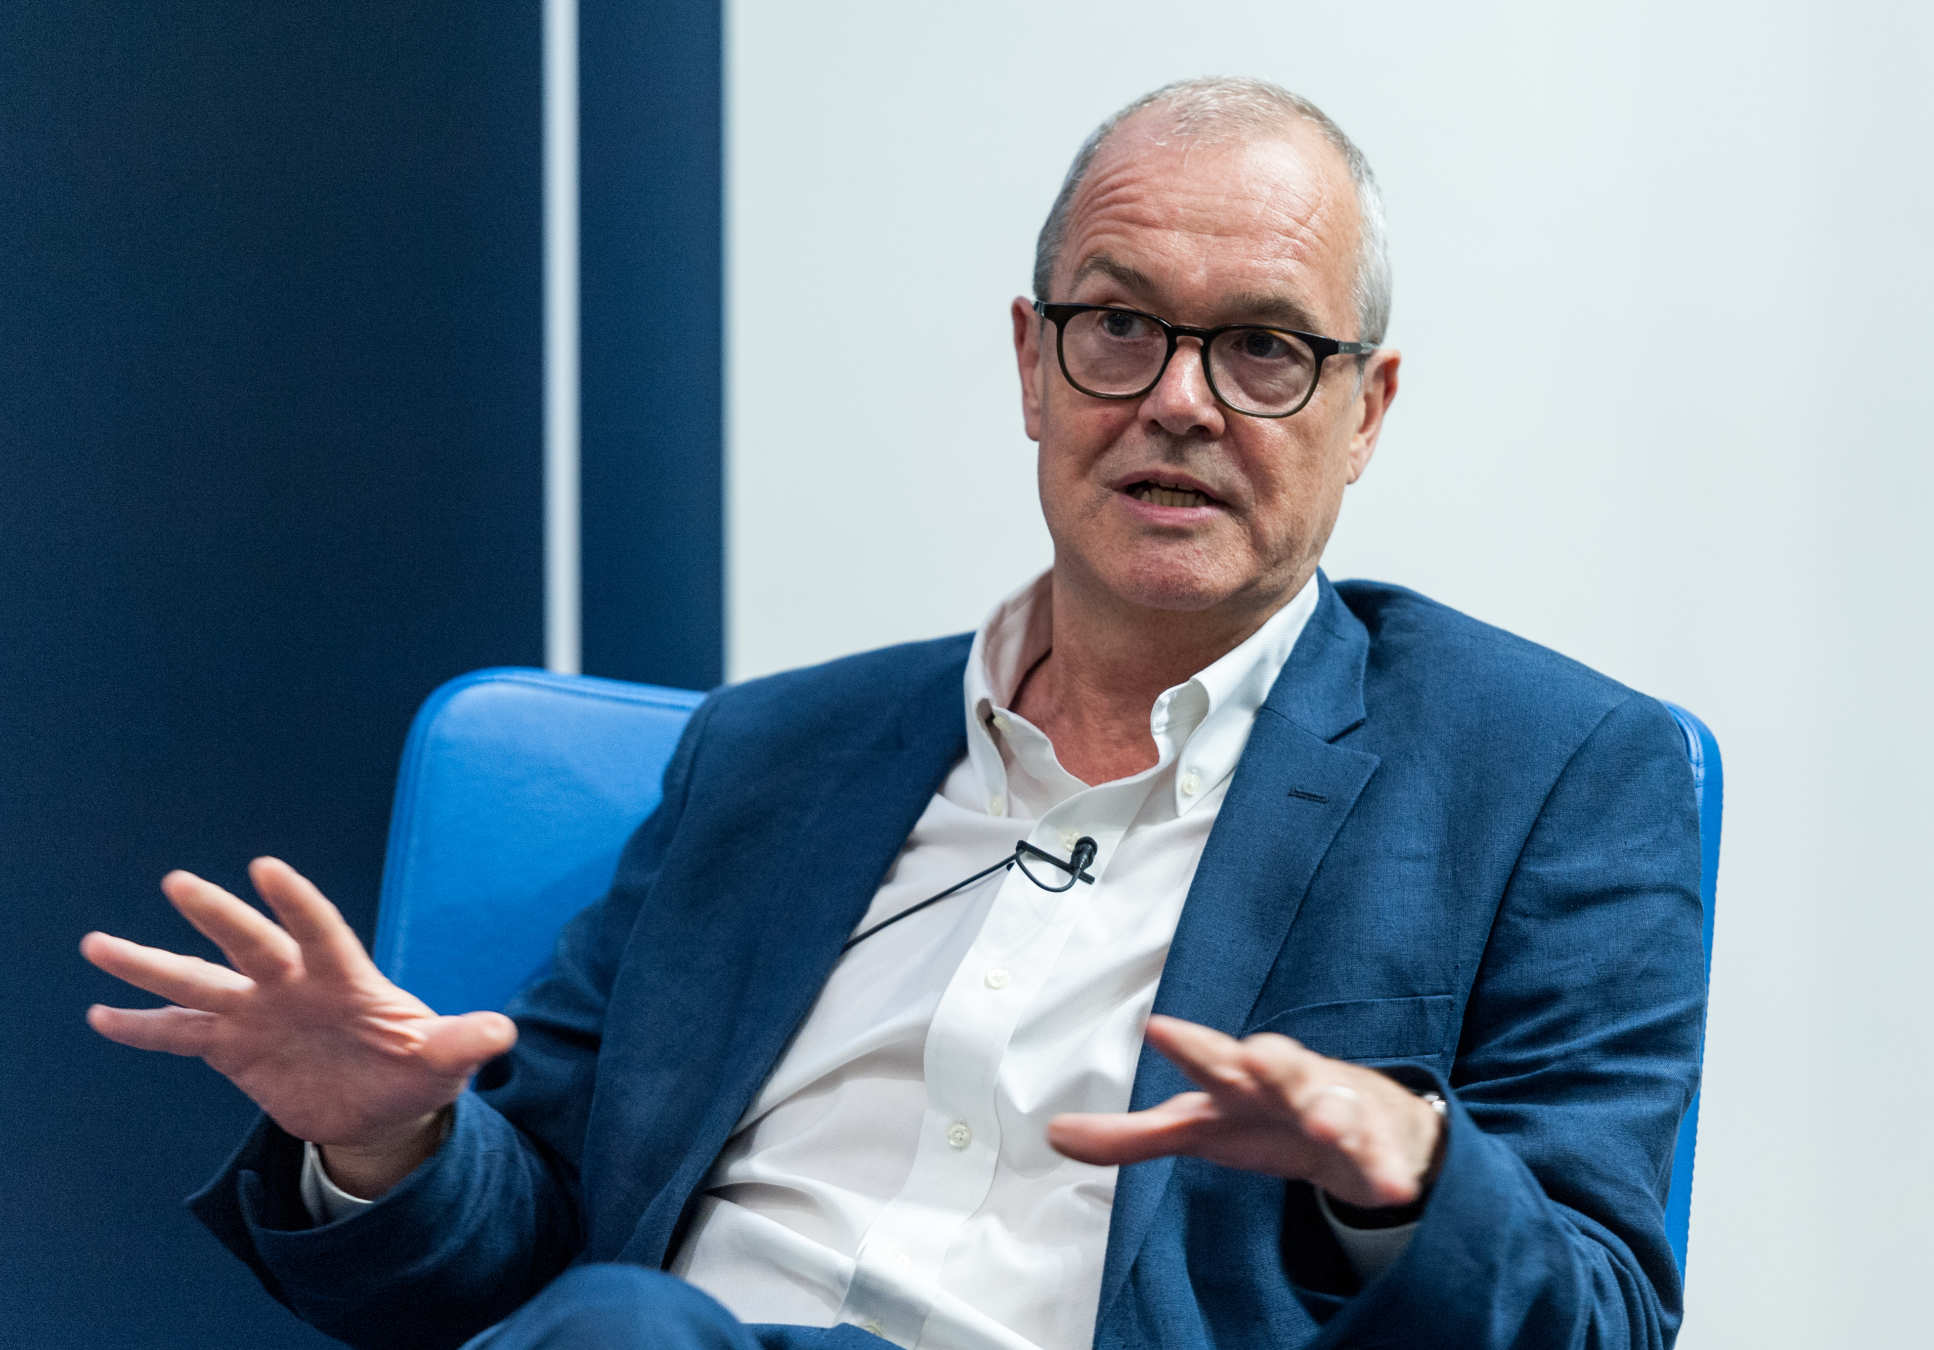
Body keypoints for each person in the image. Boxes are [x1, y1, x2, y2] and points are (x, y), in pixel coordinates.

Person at [81, 77, 1705, 1350]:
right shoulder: (770, 757)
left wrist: (1407, 1175)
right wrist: (391, 1144)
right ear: (1032, 365)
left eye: (1266, 348)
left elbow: (1598, 1319)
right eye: (1118, 325)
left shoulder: (1550, 773)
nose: (1178, 399)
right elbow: (515, 1250)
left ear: (1366, 411)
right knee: (621, 1320)